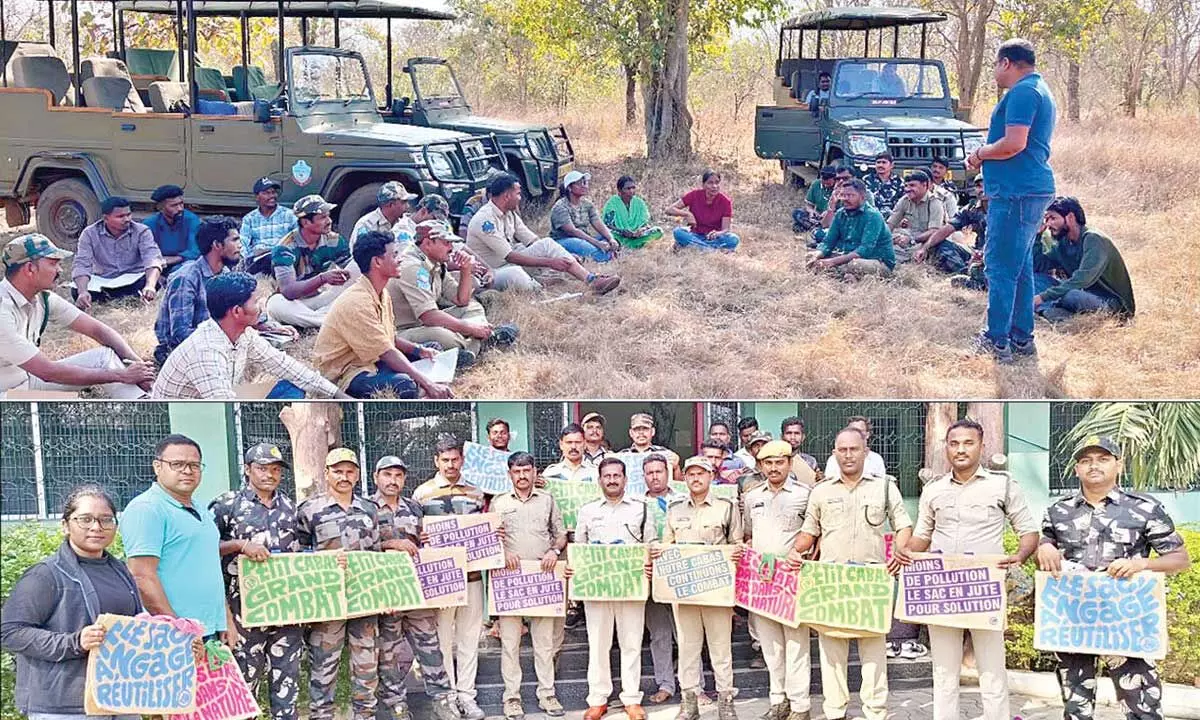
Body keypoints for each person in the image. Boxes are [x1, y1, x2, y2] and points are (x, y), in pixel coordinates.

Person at [1037, 435, 1191, 720]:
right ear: (1076, 469)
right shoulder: (1058, 511)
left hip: (1127, 621)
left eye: (1103, 459)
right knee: (1075, 708)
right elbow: (1045, 546)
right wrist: (1044, 546)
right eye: (1086, 460)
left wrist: (1141, 564)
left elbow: (1181, 560)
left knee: (1142, 707)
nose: (1094, 466)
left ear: (1118, 465)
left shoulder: (1144, 508)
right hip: (1075, 622)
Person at [897, 420, 1039, 720]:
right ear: (946, 448)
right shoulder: (933, 490)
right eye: (954, 443)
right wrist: (908, 551)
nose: (960, 449)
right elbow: (923, 534)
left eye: (968, 443)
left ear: (981, 446)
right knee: (944, 669)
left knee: (991, 667)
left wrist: (1020, 555)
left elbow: (1028, 531)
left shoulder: (1002, 485)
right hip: (942, 589)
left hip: (984, 589)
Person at [790, 427, 912, 720]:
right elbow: (810, 530)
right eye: (842, 450)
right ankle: (834, 711)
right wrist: (797, 550)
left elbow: (903, 525)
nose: (848, 455)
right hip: (832, 581)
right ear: (834, 453)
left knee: (873, 652)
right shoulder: (821, 491)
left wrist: (899, 550)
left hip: (871, 582)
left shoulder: (884, 487)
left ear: (865, 452)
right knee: (832, 651)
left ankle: (875, 711)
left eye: (853, 449)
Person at [0, 485, 143, 720]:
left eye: (106, 519)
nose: (96, 527)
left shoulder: (120, 570)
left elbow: (135, 629)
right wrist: (75, 641)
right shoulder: (45, 575)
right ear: (66, 525)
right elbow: (9, 631)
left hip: (119, 698)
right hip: (65, 706)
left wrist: (177, 641)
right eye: (85, 519)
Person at [965, 38, 1057, 364]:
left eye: (994, 65)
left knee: (1001, 267)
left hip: (1017, 192)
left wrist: (979, 154)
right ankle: (1021, 338)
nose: (993, 72)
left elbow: (1014, 143)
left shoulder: (1022, 92)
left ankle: (996, 339)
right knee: (1020, 267)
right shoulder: (1038, 89)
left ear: (1006, 63)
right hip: (1026, 189)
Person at [209, 442, 304, 720]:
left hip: (287, 611)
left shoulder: (290, 507)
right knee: (243, 684)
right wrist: (240, 545)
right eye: (262, 468)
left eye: (276, 469)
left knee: (287, 686)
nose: (269, 475)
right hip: (243, 613)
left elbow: (304, 551)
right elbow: (204, 548)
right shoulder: (227, 505)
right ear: (248, 469)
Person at [0, 233, 153, 398]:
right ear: (30, 269)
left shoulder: (41, 298)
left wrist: (139, 366)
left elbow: (97, 330)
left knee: (103, 357)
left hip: (27, 383)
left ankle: (150, 408)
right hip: (6, 398)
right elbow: (48, 372)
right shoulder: (3, 309)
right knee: (68, 411)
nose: (60, 270)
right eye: (53, 263)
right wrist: (121, 375)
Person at [370, 455, 462, 720]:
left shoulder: (413, 508)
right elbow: (362, 548)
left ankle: (443, 700)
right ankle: (396, 704)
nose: (393, 481)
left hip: (417, 593)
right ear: (377, 478)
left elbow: (424, 546)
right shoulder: (366, 509)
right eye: (387, 475)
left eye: (398, 476)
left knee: (430, 648)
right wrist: (391, 545)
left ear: (404, 480)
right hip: (386, 595)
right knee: (389, 653)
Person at [652, 457, 744, 720]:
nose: (695, 478)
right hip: (685, 592)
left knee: (720, 648)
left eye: (701, 474)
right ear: (685, 478)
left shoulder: (725, 508)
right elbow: (667, 545)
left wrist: (736, 552)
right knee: (688, 648)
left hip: (717, 590)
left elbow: (736, 543)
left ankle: (725, 702)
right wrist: (660, 550)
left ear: (710, 476)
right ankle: (689, 702)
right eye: (690, 474)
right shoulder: (675, 509)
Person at [122, 434, 236, 643]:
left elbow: (209, 567)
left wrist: (225, 618)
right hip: (170, 636)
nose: (187, 471)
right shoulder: (147, 509)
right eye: (177, 464)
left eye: (194, 465)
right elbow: (141, 576)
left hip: (207, 631)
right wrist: (177, 630)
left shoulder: (201, 509)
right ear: (157, 467)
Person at [153, 272, 341, 399]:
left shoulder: (244, 335)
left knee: (291, 388)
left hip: (218, 407)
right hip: (183, 425)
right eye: (255, 302)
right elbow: (224, 410)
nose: (260, 308)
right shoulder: (206, 350)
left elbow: (286, 367)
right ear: (236, 311)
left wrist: (338, 395)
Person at [313, 231, 451, 399]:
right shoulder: (357, 302)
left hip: (373, 360)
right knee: (404, 385)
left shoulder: (381, 292)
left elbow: (389, 338)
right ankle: (425, 387)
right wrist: (428, 384)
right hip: (348, 372)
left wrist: (419, 350)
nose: (400, 259)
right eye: (394, 255)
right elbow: (386, 351)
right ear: (377, 262)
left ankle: (425, 386)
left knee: (432, 350)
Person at [298, 448, 382, 720]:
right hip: (326, 603)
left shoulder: (369, 509)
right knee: (323, 668)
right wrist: (323, 561)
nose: (344, 477)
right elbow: (297, 557)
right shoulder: (310, 510)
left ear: (357, 475)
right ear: (326, 474)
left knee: (367, 668)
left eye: (349, 472)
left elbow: (378, 555)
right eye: (337, 471)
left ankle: (365, 715)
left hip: (365, 600)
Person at [412, 437, 490, 720]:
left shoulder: (475, 493)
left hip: (471, 578)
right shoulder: (422, 495)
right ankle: (447, 697)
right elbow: (414, 533)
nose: (450, 465)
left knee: (470, 640)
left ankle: (468, 698)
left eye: (455, 459)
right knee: (443, 641)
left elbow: (485, 529)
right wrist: (420, 539)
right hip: (441, 581)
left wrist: (492, 536)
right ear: (436, 461)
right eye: (445, 460)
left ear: (462, 460)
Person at [571, 457, 653, 720]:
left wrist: (649, 566)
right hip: (597, 588)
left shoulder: (641, 509)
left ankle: (631, 699)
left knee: (631, 643)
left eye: (617, 475)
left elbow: (651, 545)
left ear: (625, 479)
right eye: (607, 476)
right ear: (600, 480)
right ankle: (598, 699)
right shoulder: (587, 511)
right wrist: (576, 569)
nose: (612, 480)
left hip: (630, 586)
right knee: (598, 644)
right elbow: (579, 548)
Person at [491, 451, 569, 719]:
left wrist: (554, 552)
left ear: (535, 472)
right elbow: (489, 540)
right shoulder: (498, 503)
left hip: (542, 578)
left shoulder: (547, 500)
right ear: (509, 474)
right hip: (510, 582)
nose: (522, 476)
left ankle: (547, 694)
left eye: (527, 471)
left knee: (544, 644)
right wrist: (502, 552)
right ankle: (511, 698)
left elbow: (561, 534)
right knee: (510, 643)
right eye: (517, 471)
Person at [743, 440, 813, 720]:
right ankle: (778, 701)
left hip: (792, 579)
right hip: (762, 581)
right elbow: (749, 534)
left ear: (789, 463)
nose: (773, 468)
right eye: (768, 463)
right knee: (771, 645)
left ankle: (800, 706)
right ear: (760, 466)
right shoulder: (751, 497)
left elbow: (813, 534)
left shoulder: (805, 495)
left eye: (779, 462)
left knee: (796, 645)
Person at [466, 172, 620, 294]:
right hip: (494, 271)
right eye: (518, 194)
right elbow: (511, 257)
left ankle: (591, 280)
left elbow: (532, 240)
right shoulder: (485, 221)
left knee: (545, 244)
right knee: (519, 273)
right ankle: (541, 284)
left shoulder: (509, 213)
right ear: (507, 196)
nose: (520, 198)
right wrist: (551, 262)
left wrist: (560, 255)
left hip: (510, 261)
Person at [393, 221, 517, 362]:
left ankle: (470, 347)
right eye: (446, 243)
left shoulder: (435, 262)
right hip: (402, 332)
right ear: (427, 244)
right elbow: (429, 316)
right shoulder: (412, 267)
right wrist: (470, 328)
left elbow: (461, 300)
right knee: (443, 336)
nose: (451, 248)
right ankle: (478, 343)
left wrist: (466, 270)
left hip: (421, 324)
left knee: (473, 307)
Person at [153, 216, 242, 365]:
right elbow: (180, 334)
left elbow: (242, 309)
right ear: (217, 245)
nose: (240, 245)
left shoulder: (226, 273)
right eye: (234, 240)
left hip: (215, 340)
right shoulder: (186, 278)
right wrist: (226, 338)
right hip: (183, 351)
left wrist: (270, 327)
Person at [1034, 196, 1135, 322]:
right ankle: (1053, 311)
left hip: (1111, 304)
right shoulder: (1063, 243)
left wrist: (1043, 298)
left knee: (1071, 295)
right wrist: (1037, 236)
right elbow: (1039, 265)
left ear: (1070, 217)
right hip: (1083, 293)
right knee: (1036, 279)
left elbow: (1083, 279)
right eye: (1046, 219)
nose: (1048, 224)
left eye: (1053, 218)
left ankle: (1052, 310)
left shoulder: (1093, 239)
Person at [266, 194, 356, 329]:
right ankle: (328, 322)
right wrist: (323, 278)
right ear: (306, 222)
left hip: (321, 299)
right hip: (294, 303)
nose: (329, 221)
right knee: (275, 303)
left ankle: (320, 318)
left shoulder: (334, 240)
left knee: (359, 269)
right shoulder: (285, 248)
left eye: (328, 215)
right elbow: (289, 291)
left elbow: (351, 271)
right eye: (322, 217)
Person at [640, 452, 681, 705]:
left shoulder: (684, 500)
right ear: (643, 477)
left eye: (659, 471)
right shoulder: (636, 504)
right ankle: (666, 684)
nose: (655, 476)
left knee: (686, 634)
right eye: (649, 472)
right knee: (659, 634)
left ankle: (693, 686)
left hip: (680, 576)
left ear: (668, 472)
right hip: (651, 577)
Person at [72, 196, 163, 308]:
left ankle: (128, 297)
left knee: (153, 281)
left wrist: (150, 285)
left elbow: (152, 258)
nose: (127, 219)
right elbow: (82, 263)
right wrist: (82, 292)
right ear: (106, 218)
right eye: (120, 216)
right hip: (105, 280)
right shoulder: (89, 234)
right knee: (76, 289)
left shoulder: (141, 231)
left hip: (134, 279)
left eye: (128, 214)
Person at [807, 179, 896, 278]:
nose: (845, 199)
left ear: (862, 197)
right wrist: (818, 254)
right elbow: (828, 242)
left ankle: (845, 275)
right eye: (843, 195)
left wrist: (832, 261)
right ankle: (847, 276)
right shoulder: (840, 214)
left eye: (850, 195)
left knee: (854, 265)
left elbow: (864, 250)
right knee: (810, 257)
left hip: (877, 261)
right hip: (849, 256)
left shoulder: (873, 216)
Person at [913, 175, 985, 280]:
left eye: (986, 185)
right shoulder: (971, 208)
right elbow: (947, 229)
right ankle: (966, 274)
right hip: (977, 254)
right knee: (939, 244)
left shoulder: (1006, 209)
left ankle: (977, 278)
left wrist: (983, 254)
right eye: (978, 186)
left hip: (998, 255)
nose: (982, 190)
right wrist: (924, 248)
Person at [550, 170, 620, 262]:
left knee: (611, 235)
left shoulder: (587, 204)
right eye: (579, 183)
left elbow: (598, 223)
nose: (584, 186)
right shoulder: (560, 207)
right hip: (564, 240)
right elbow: (573, 232)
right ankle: (604, 256)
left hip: (584, 238)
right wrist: (598, 244)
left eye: (585, 182)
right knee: (581, 244)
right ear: (569, 188)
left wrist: (611, 239)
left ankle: (599, 254)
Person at [666, 170, 739, 251]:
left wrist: (718, 233)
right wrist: (687, 214)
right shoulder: (694, 195)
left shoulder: (725, 202)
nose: (714, 186)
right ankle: (711, 250)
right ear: (704, 185)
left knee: (734, 239)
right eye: (710, 183)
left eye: (717, 182)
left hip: (713, 238)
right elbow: (669, 210)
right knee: (678, 232)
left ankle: (697, 247)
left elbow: (726, 229)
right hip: (695, 234)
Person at [887, 169, 949, 262]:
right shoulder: (904, 200)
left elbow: (934, 231)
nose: (907, 189)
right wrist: (889, 239)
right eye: (906, 186)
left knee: (916, 253)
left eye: (912, 185)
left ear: (925, 185)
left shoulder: (935, 202)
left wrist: (911, 239)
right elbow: (890, 225)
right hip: (911, 239)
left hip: (931, 242)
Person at [241, 177, 298, 275]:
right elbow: (243, 244)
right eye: (266, 193)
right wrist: (244, 260)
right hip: (259, 260)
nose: (272, 196)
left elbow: (299, 239)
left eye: (273, 192)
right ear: (257, 197)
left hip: (284, 259)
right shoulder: (249, 218)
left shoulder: (289, 215)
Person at [143, 184, 201, 274]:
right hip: (158, 267)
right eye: (174, 205)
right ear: (160, 208)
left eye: (181, 203)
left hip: (183, 265)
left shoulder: (192, 220)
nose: (180, 209)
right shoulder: (149, 224)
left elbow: (195, 251)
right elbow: (145, 253)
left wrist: (169, 260)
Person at [602, 176, 664, 249]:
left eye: (633, 188)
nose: (631, 191)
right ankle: (631, 245)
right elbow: (607, 225)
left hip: (637, 236)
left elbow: (646, 224)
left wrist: (641, 230)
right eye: (628, 189)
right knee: (609, 234)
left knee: (658, 231)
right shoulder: (612, 203)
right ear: (619, 190)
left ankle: (631, 244)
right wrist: (623, 232)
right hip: (620, 235)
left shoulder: (639, 203)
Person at [351, 181, 417, 248]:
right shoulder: (366, 225)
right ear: (391, 205)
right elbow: (360, 254)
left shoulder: (404, 221)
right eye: (403, 202)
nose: (408, 206)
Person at [822, 416, 888, 480]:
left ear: (867, 434)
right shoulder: (834, 459)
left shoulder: (876, 459)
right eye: (852, 430)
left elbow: (881, 485)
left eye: (860, 431)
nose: (856, 433)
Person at [793, 166, 837, 233]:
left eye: (829, 184)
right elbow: (809, 205)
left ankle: (812, 228)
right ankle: (815, 227)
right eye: (824, 183)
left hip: (831, 217)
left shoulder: (839, 189)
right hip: (818, 216)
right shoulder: (816, 184)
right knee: (797, 213)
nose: (826, 186)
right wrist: (811, 212)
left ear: (835, 180)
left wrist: (828, 213)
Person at [779, 417, 818, 486]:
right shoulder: (775, 459)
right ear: (782, 436)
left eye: (797, 433)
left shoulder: (810, 461)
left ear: (803, 437)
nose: (793, 437)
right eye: (789, 433)